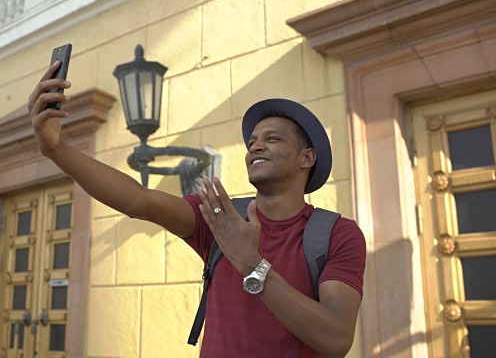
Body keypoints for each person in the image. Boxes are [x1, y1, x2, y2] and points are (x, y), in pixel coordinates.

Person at [28, 61, 366, 357]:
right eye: (252, 142)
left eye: (273, 139)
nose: (256, 145)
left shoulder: (337, 234)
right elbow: (137, 200)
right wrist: (56, 149)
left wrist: (252, 264)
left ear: (308, 157)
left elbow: (336, 339)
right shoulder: (219, 218)